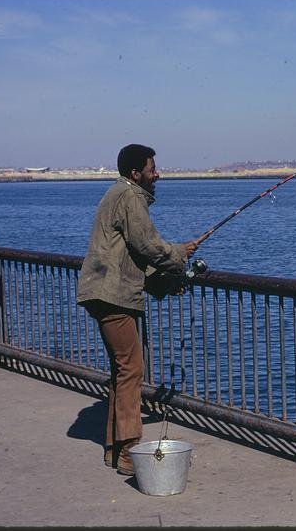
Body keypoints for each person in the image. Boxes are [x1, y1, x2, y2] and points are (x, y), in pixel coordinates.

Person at [76, 143, 202, 475]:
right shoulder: (129, 196)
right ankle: (129, 452)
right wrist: (180, 252)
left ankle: (114, 450)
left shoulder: (117, 194)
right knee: (132, 369)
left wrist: (162, 278)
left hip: (104, 292)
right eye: (152, 169)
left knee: (122, 370)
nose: (157, 174)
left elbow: (130, 254)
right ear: (136, 174)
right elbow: (147, 245)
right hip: (111, 295)